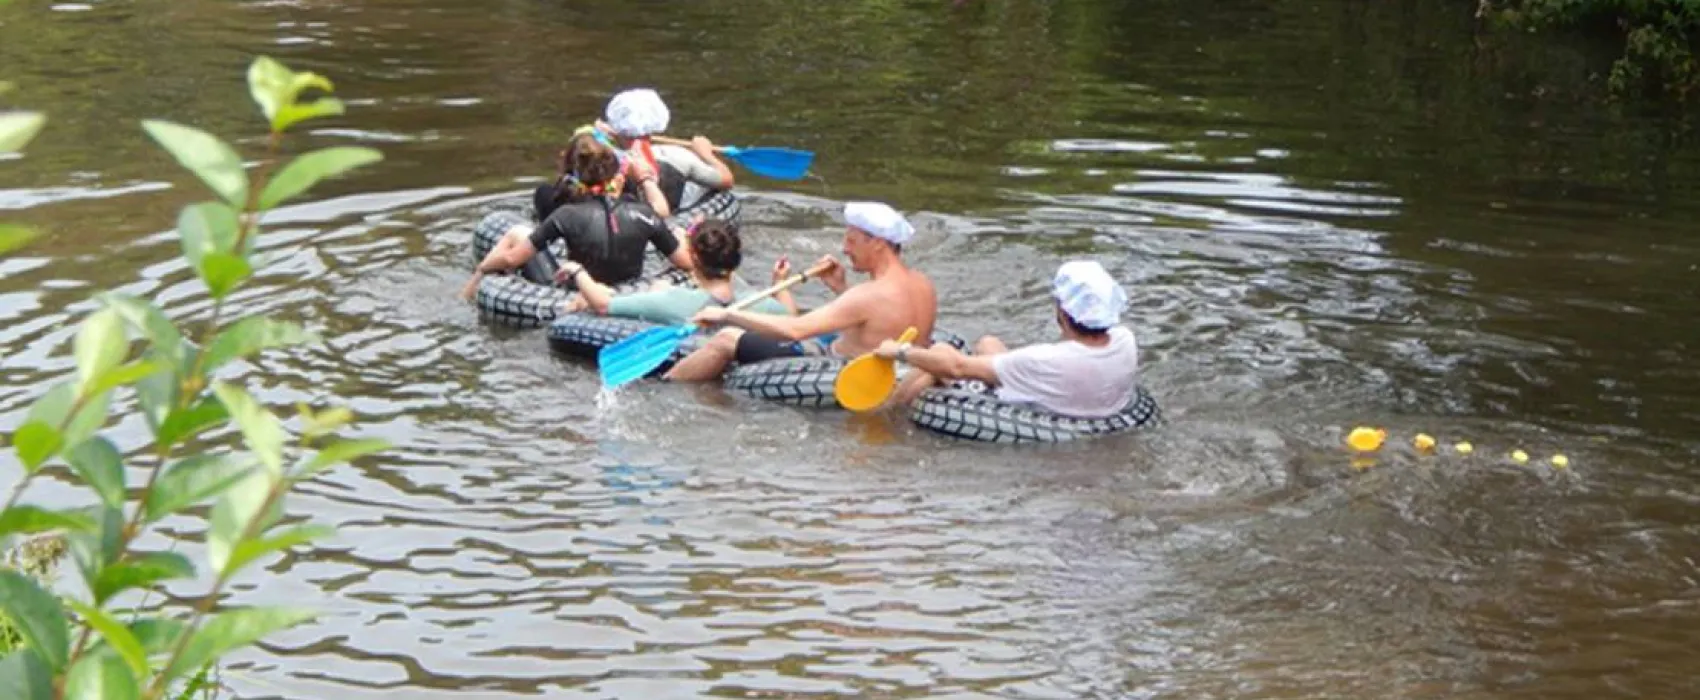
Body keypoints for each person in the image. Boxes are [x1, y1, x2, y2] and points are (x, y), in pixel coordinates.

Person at [663, 201, 937, 381]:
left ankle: (665, 389)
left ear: (877, 243)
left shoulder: (869, 294)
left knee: (726, 339)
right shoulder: (922, 283)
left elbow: (796, 330)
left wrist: (726, 315)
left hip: (840, 369)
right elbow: (876, 321)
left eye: (852, 240)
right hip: (895, 369)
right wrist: (841, 289)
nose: (845, 249)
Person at [873, 260, 1139, 418]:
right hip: (1083, 402)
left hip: (1036, 411)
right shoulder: (1125, 341)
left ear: (1062, 310)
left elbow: (956, 367)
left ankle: (887, 417)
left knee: (940, 353)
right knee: (988, 343)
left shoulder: (1043, 359)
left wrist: (900, 350)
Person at [462, 132, 692, 300]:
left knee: (518, 233)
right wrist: (681, 236)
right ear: (617, 177)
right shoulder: (644, 213)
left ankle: (467, 294)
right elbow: (685, 263)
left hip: (578, 291)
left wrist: (486, 267)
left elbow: (513, 259)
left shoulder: (566, 215)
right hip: (631, 287)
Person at [563, 218, 796, 323]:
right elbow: (792, 321)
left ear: (694, 257)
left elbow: (603, 305)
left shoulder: (674, 301)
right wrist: (779, 284)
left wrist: (578, 273)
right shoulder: (758, 303)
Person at [593, 88, 734, 219]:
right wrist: (705, 153)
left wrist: (603, 135)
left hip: (619, 221)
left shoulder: (600, 157)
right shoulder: (676, 156)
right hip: (667, 219)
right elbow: (726, 181)